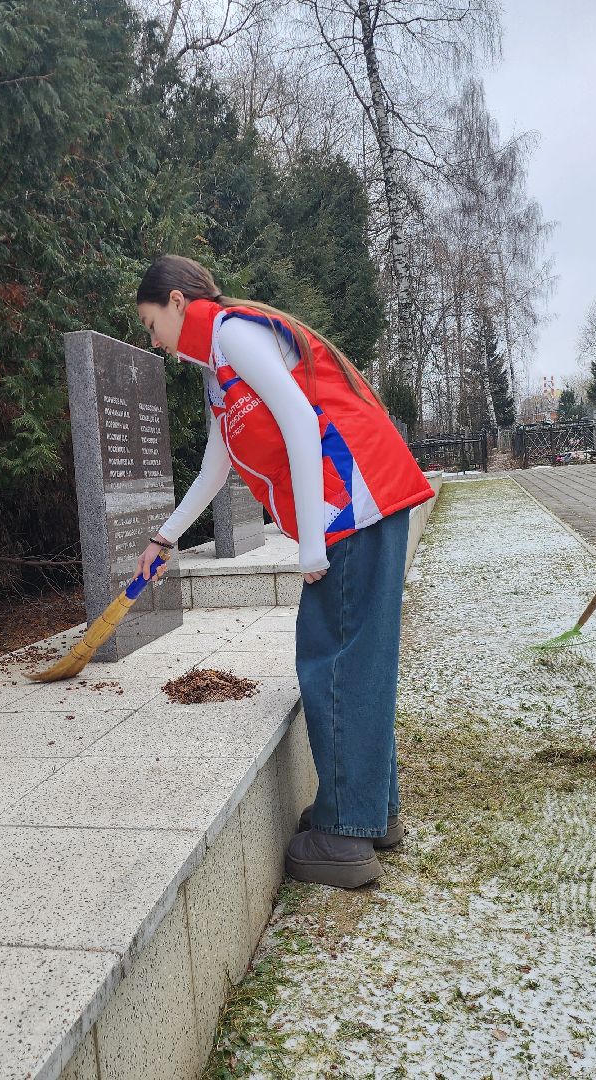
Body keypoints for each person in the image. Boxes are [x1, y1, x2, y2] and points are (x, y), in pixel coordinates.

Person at [131, 254, 434, 888]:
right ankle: (373, 814)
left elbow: (300, 418)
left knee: (334, 659)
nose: (151, 337)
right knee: (357, 657)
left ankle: (347, 834)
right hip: (349, 507)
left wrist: (311, 546)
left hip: (352, 501)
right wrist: (164, 539)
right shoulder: (217, 367)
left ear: (178, 303)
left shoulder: (233, 334)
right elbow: (217, 467)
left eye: (150, 321)